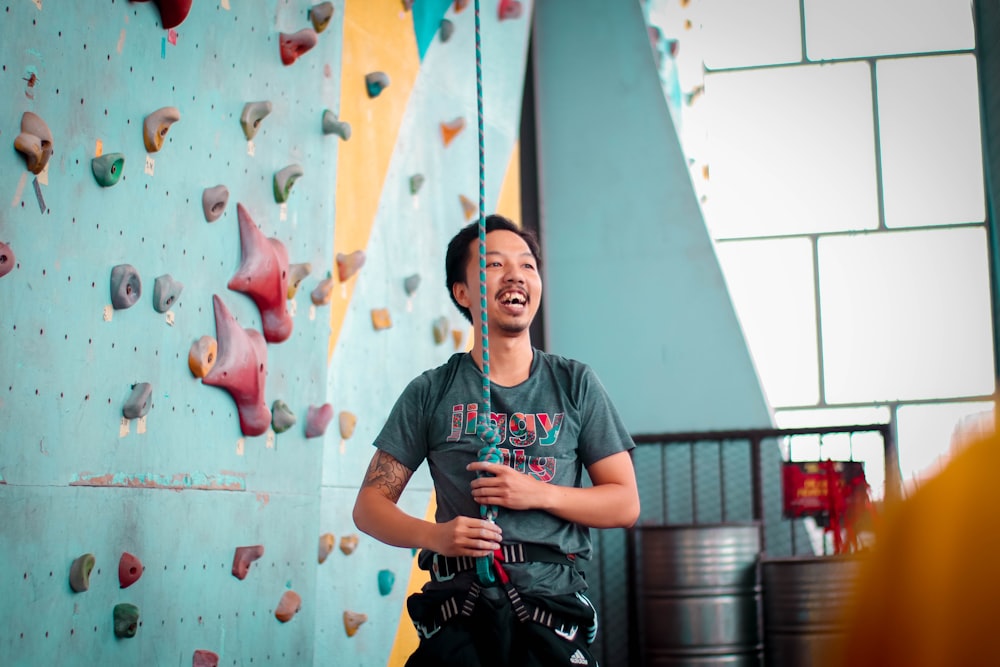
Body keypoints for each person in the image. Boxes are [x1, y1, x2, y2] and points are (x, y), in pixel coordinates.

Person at [353, 214, 640, 667]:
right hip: (459, 609)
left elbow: (624, 503)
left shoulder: (575, 384)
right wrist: (437, 537)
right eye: (493, 265)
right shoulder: (431, 392)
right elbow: (370, 506)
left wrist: (536, 493)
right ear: (462, 292)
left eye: (527, 265)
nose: (516, 275)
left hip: (551, 606)